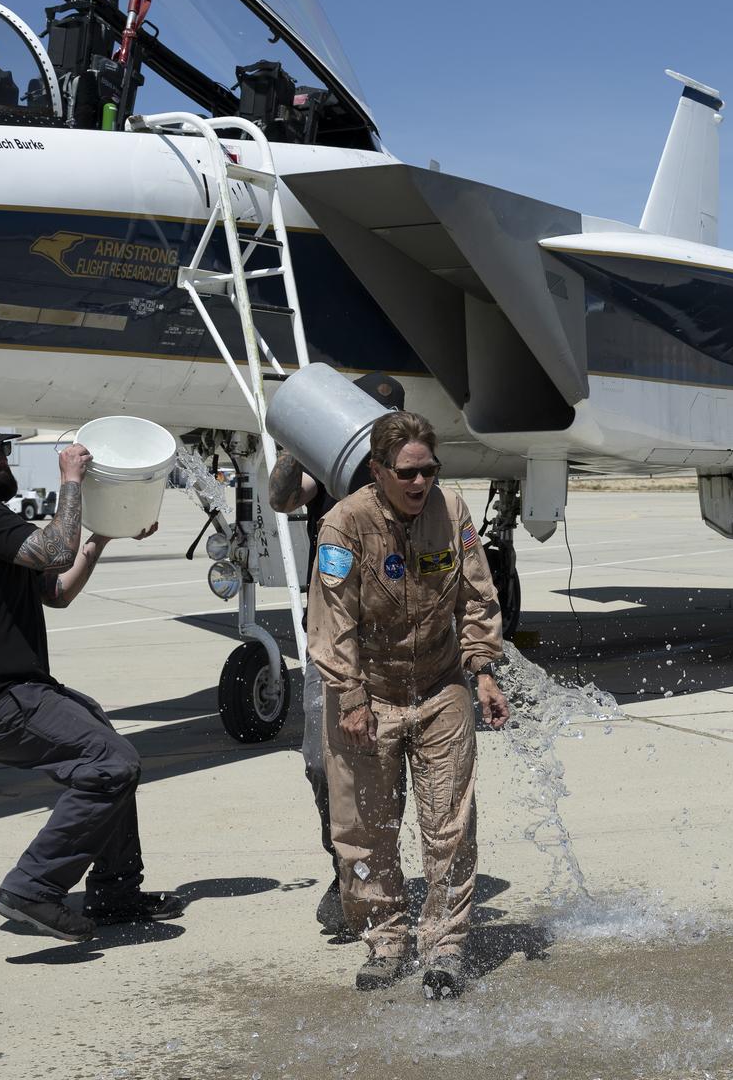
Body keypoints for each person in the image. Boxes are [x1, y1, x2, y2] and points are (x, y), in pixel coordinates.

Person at [0, 416, 178, 943]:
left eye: (1, 452)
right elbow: (55, 550)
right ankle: (32, 889)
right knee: (111, 763)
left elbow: (56, 589)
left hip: (17, 690)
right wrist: (72, 482)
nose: (0, 462)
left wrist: (102, 536)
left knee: (104, 741)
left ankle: (115, 892)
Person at [304, 410, 510, 997]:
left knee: (449, 823)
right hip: (368, 692)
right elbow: (331, 618)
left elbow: (477, 594)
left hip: (441, 685)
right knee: (365, 828)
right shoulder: (345, 524)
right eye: (407, 473)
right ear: (378, 470)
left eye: (429, 470)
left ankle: (445, 946)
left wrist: (483, 669)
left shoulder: (453, 512)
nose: (421, 484)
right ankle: (386, 940)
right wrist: (348, 694)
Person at [267, 371, 405, 937]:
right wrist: (290, 447)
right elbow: (282, 497)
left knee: (395, 766)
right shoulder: (329, 472)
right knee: (323, 764)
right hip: (333, 637)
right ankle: (346, 869)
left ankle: (380, 877)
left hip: (398, 642)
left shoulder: (411, 476)